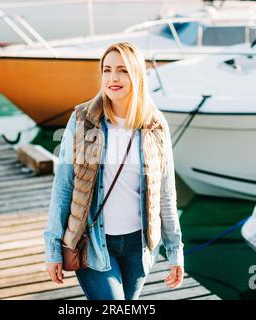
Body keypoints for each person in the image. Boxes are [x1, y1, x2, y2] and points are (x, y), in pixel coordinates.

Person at [43, 42, 184, 300]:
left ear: (137, 75)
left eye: (122, 70)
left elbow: (166, 194)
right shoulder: (83, 121)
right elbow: (63, 188)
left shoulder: (155, 125)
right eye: (106, 70)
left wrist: (175, 250)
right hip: (94, 243)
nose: (113, 78)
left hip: (138, 246)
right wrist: (53, 248)